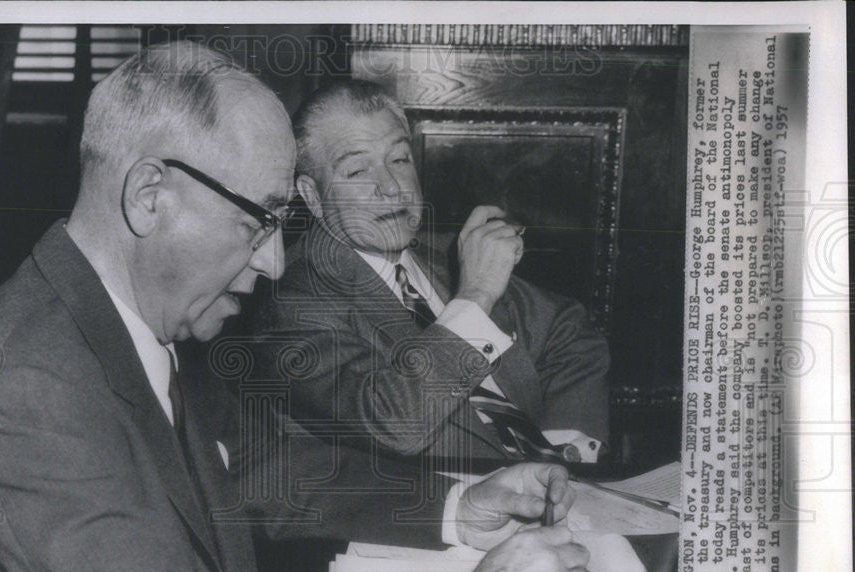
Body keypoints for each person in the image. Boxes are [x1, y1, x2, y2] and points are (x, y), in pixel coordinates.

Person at [0, 42, 594, 572]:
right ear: (149, 197)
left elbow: (265, 473)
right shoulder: (22, 387)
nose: (274, 259)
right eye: (259, 219)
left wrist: (457, 508)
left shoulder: (125, 325)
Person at [248, 80, 610, 469]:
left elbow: (567, 330)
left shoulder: (444, 255)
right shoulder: (289, 304)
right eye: (356, 170)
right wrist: (475, 296)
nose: (391, 187)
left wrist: (559, 456)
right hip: (435, 519)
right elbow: (395, 424)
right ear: (314, 196)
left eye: (399, 160)